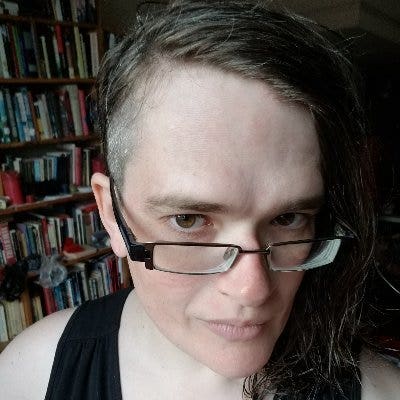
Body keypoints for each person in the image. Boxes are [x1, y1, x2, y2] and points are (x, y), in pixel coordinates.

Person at [0, 1, 399, 399]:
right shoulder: (30, 377)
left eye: (288, 218)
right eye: (188, 220)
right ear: (110, 213)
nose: (252, 291)